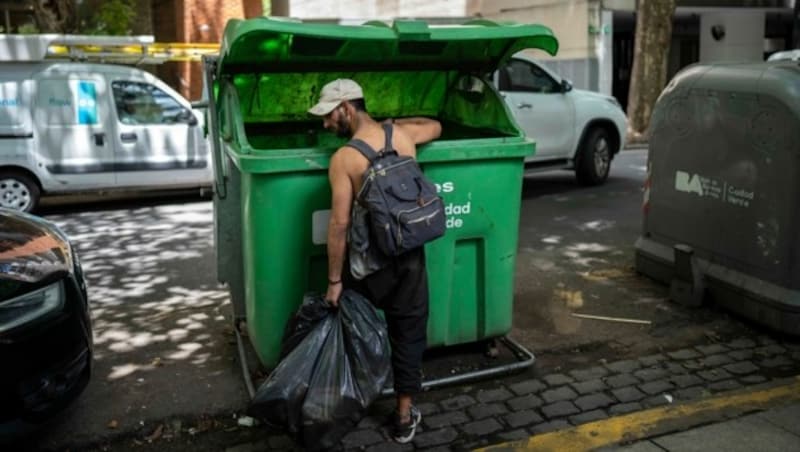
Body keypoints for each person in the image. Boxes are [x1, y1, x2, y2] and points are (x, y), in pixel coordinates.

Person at [308, 79, 442, 444]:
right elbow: (436, 124)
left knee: (351, 328)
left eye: (328, 115)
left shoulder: (344, 159)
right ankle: (403, 416)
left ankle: (347, 401)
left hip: (368, 265)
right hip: (409, 254)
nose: (325, 124)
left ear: (347, 108)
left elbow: (339, 224)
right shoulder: (402, 136)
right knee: (409, 330)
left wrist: (334, 281)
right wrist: (394, 122)